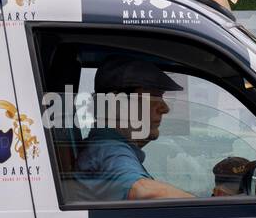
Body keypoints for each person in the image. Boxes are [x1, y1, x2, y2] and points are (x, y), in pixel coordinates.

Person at [73, 58, 193, 200]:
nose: (165, 108)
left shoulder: (103, 148)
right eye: (154, 97)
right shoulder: (109, 149)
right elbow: (144, 191)